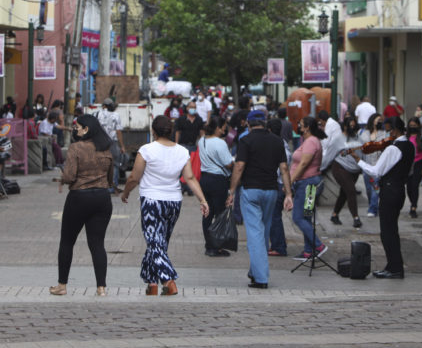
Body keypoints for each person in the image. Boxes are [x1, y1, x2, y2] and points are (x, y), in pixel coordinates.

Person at [120, 115, 209, 296]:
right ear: (171, 131)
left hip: (151, 201)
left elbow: (134, 177)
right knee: (159, 243)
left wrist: (126, 192)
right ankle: (152, 283)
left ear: (153, 131)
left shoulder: (146, 150)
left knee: (155, 243)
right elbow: (190, 178)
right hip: (173, 202)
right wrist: (202, 199)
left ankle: (169, 280)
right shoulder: (182, 151)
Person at [49, 115, 115, 298]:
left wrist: (62, 178)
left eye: (77, 127)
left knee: (67, 241)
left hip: (79, 197)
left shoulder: (76, 148)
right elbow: (110, 178)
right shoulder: (105, 148)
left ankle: (62, 286)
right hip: (102, 198)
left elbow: (70, 176)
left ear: (86, 129)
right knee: (97, 244)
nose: (75, 130)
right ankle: (101, 288)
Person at [226, 110, 293, 288]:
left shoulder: (245, 140)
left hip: (251, 191)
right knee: (263, 231)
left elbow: (239, 166)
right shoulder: (278, 141)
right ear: (264, 123)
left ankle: (261, 277)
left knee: (254, 234)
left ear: (248, 124)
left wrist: (232, 191)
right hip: (271, 191)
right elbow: (284, 169)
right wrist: (288, 193)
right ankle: (254, 271)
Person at [357, 117, 415, 279]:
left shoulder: (393, 148)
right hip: (399, 190)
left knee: (387, 232)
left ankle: (395, 268)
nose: (388, 134)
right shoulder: (409, 145)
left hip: (389, 190)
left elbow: (376, 171)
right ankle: (392, 265)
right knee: (392, 230)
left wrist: (358, 161)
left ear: (396, 130)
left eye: (390, 131)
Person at [289, 116, 328, 261]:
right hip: (308, 183)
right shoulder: (309, 141)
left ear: (307, 127)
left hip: (307, 184)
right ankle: (308, 250)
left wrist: (291, 180)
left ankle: (318, 245)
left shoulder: (311, 141)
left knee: (298, 217)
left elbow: (304, 163)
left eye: (301, 124)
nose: (299, 126)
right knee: (306, 216)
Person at [198, 116, 234, 257]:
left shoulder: (202, 140)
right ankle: (217, 247)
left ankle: (209, 246)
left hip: (205, 179)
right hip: (218, 180)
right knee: (220, 214)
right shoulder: (220, 143)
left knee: (207, 214)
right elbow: (228, 163)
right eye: (224, 127)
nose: (226, 129)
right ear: (218, 128)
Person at [330, 115, 363, 229]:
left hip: (354, 170)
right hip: (340, 168)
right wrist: (318, 169)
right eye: (350, 125)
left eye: (354, 125)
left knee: (345, 193)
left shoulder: (358, 138)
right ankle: (356, 218)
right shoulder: (338, 139)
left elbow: (363, 152)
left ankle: (334, 214)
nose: (352, 128)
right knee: (351, 191)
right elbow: (329, 155)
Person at [266, 118, 291, 257]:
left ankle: (279, 246)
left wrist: (288, 191)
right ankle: (279, 244)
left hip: (280, 185)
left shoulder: (277, 146)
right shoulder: (283, 144)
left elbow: (283, 169)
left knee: (275, 217)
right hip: (285, 185)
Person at [359, 113, 386, 217]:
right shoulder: (364, 133)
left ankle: (372, 209)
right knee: (369, 189)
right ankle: (373, 205)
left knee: (375, 188)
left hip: (377, 166)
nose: (379, 122)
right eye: (377, 120)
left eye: (380, 120)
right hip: (366, 165)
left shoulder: (383, 133)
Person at [96, 98, 126, 191]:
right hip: (112, 142)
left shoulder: (97, 114)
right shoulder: (116, 115)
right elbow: (118, 131)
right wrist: (122, 146)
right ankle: (112, 187)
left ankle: (101, 186)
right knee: (114, 164)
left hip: (100, 142)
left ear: (104, 106)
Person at [406, 116, 422, 219]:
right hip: (407, 164)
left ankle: (413, 207)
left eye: (414, 126)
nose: (412, 127)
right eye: (411, 126)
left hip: (418, 163)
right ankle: (412, 202)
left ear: (419, 126)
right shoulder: (406, 137)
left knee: (415, 185)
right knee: (409, 187)